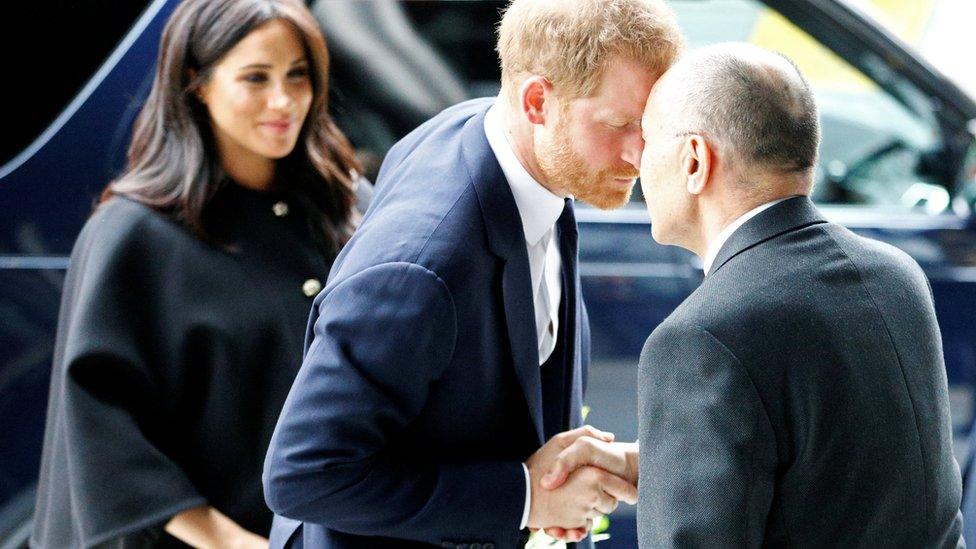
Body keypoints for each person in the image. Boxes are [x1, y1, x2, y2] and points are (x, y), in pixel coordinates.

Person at [261, 0, 682, 547]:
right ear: (538, 102)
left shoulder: (516, 144)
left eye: (650, 126)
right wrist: (526, 495)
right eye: (620, 125)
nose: (640, 155)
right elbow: (303, 475)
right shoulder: (419, 270)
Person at [31, 0, 368, 546]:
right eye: (255, 78)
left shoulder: (342, 208)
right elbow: (100, 429)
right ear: (198, 83)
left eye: (298, 75)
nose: (283, 100)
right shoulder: (133, 235)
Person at [634, 42, 964, 547]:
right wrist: (660, 462)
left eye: (647, 138)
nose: (636, 159)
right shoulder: (897, 276)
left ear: (695, 160)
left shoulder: (700, 338)